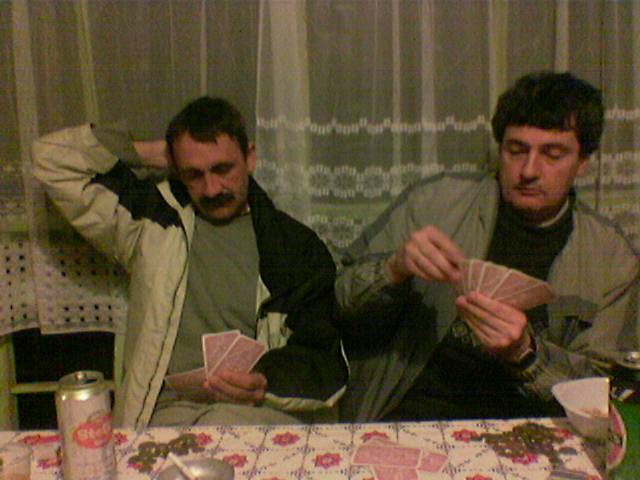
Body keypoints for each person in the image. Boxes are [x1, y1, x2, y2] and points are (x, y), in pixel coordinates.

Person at [335, 71, 640, 422]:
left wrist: (526, 354)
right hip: (409, 416)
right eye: (516, 150)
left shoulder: (612, 258)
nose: (529, 170)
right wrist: (393, 268)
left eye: (553, 155)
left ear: (583, 162)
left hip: (530, 429)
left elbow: (604, 393)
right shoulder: (434, 203)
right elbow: (339, 304)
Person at [33, 97, 348, 429]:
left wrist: (264, 383)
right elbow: (51, 159)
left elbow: (324, 360)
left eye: (222, 169)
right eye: (194, 174)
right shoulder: (151, 220)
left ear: (250, 158)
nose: (211, 189)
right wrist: (152, 153)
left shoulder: (292, 246)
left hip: (250, 413)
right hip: (165, 414)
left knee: (230, 430)